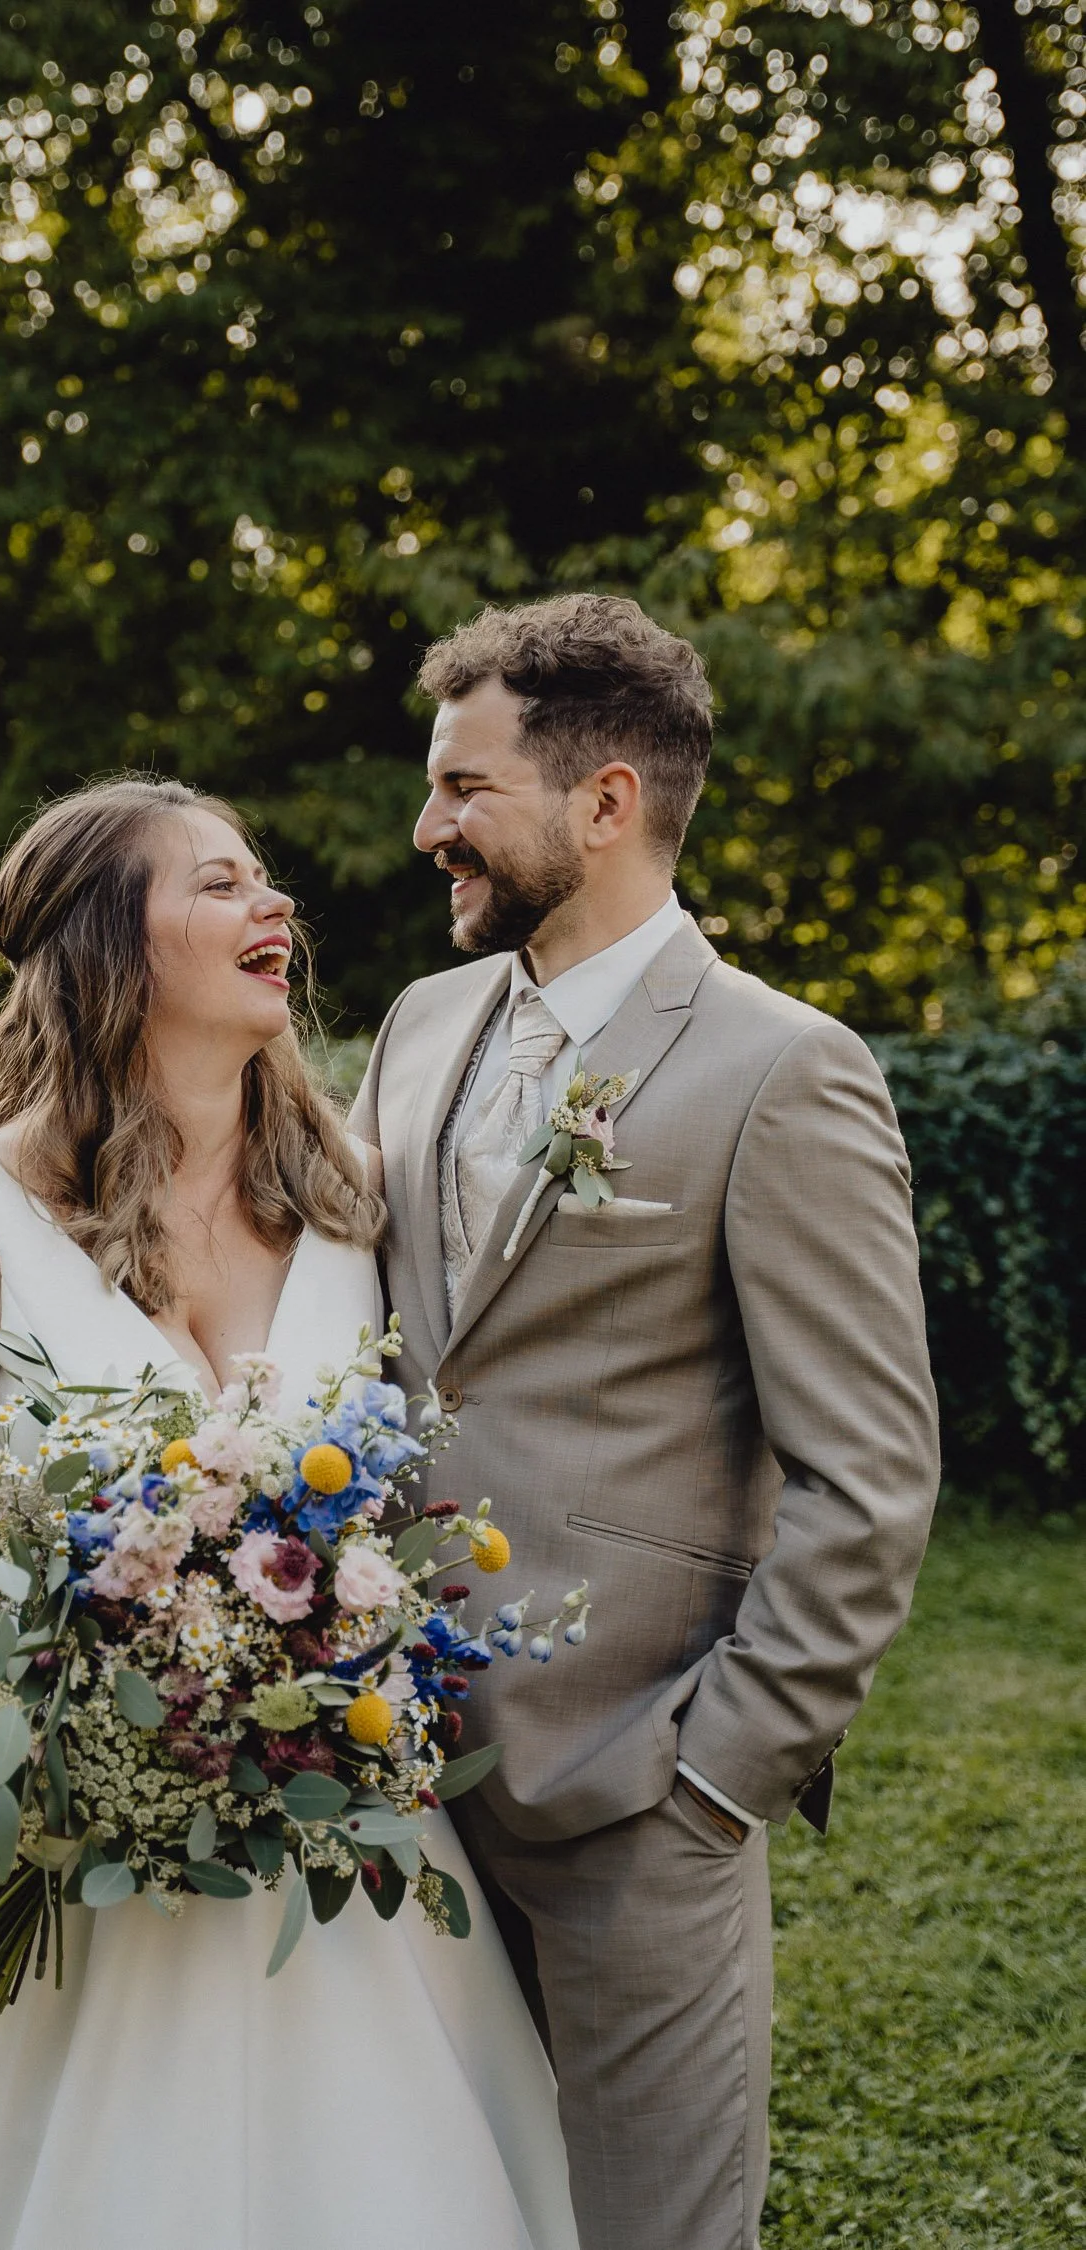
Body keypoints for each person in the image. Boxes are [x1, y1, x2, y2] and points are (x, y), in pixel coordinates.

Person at [0, 776, 577, 2250]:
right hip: (52, 1835)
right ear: (115, 947)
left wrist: (297, 1703)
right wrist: (82, 1746)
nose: (275, 904)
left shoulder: (360, 1202)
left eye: (264, 879)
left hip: (327, 1835)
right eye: (222, 883)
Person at [348, 593, 942, 2250]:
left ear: (604, 800)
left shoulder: (785, 1072)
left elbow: (871, 1475)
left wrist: (716, 1773)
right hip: (391, 1778)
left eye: (465, 787)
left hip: (635, 1794)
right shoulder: (417, 1027)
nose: (428, 827)